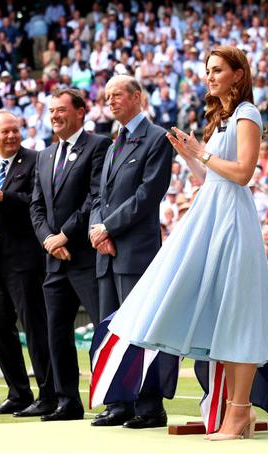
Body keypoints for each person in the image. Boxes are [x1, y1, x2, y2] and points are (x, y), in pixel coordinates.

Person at [105, 47, 268, 440]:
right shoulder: (219, 120)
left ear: (238, 74)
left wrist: (200, 152)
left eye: (218, 70)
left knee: (238, 313)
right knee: (222, 311)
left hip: (233, 220)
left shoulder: (246, 114)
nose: (210, 76)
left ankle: (239, 414)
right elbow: (212, 176)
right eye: (208, 70)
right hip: (211, 215)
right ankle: (233, 412)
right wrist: (190, 156)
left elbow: (244, 174)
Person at [88, 75, 172, 429]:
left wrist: (108, 227)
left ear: (137, 97)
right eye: (107, 96)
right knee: (111, 331)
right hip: (107, 251)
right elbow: (99, 197)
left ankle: (150, 406)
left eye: (117, 95)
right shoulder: (114, 142)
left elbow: (148, 195)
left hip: (135, 252)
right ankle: (119, 402)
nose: (110, 101)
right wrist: (97, 228)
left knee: (140, 330)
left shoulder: (156, 138)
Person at [0, 109, 55, 417]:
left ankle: (48, 393)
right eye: (5, 131)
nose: (11, 136)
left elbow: (35, 204)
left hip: (25, 257)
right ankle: (18, 393)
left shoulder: (36, 160)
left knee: (34, 327)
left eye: (15, 130)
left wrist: (1, 196)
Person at [30, 88, 111, 421]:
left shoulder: (98, 145)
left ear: (81, 112)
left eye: (61, 109)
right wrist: (49, 239)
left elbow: (95, 198)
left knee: (102, 331)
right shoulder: (45, 155)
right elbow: (36, 206)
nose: (55, 116)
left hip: (85, 257)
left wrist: (64, 234)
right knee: (56, 333)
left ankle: (112, 399)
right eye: (51, 111)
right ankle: (67, 401)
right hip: (54, 260)